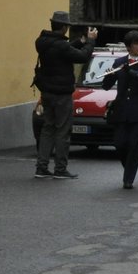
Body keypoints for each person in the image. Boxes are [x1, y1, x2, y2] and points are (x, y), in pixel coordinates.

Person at [33, 11, 98, 179]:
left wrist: (80, 41)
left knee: (47, 129)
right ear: (63, 28)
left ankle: (41, 167)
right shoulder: (60, 45)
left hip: (46, 92)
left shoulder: (42, 42)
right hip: (61, 94)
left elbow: (64, 50)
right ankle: (60, 169)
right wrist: (90, 41)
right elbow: (82, 56)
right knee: (62, 131)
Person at [106, 30, 138, 188]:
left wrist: (132, 72)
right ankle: (128, 167)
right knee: (120, 144)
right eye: (137, 44)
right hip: (122, 110)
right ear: (129, 47)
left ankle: (128, 179)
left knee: (134, 145)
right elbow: (106, 86)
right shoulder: (120, 62)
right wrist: (109, 74)